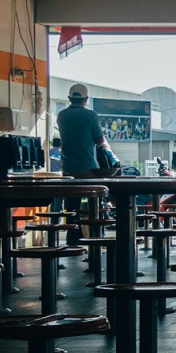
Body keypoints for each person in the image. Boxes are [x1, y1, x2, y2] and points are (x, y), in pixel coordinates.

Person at [56, 83, 107, 244]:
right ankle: (95, 234)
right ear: (86, 99)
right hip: (89, 170)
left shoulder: (61, 115)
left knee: (71, 206)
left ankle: (72, 236)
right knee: (95, 203)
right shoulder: (90, 116)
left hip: (68, 170)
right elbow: (100, 140)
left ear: (69, 99)